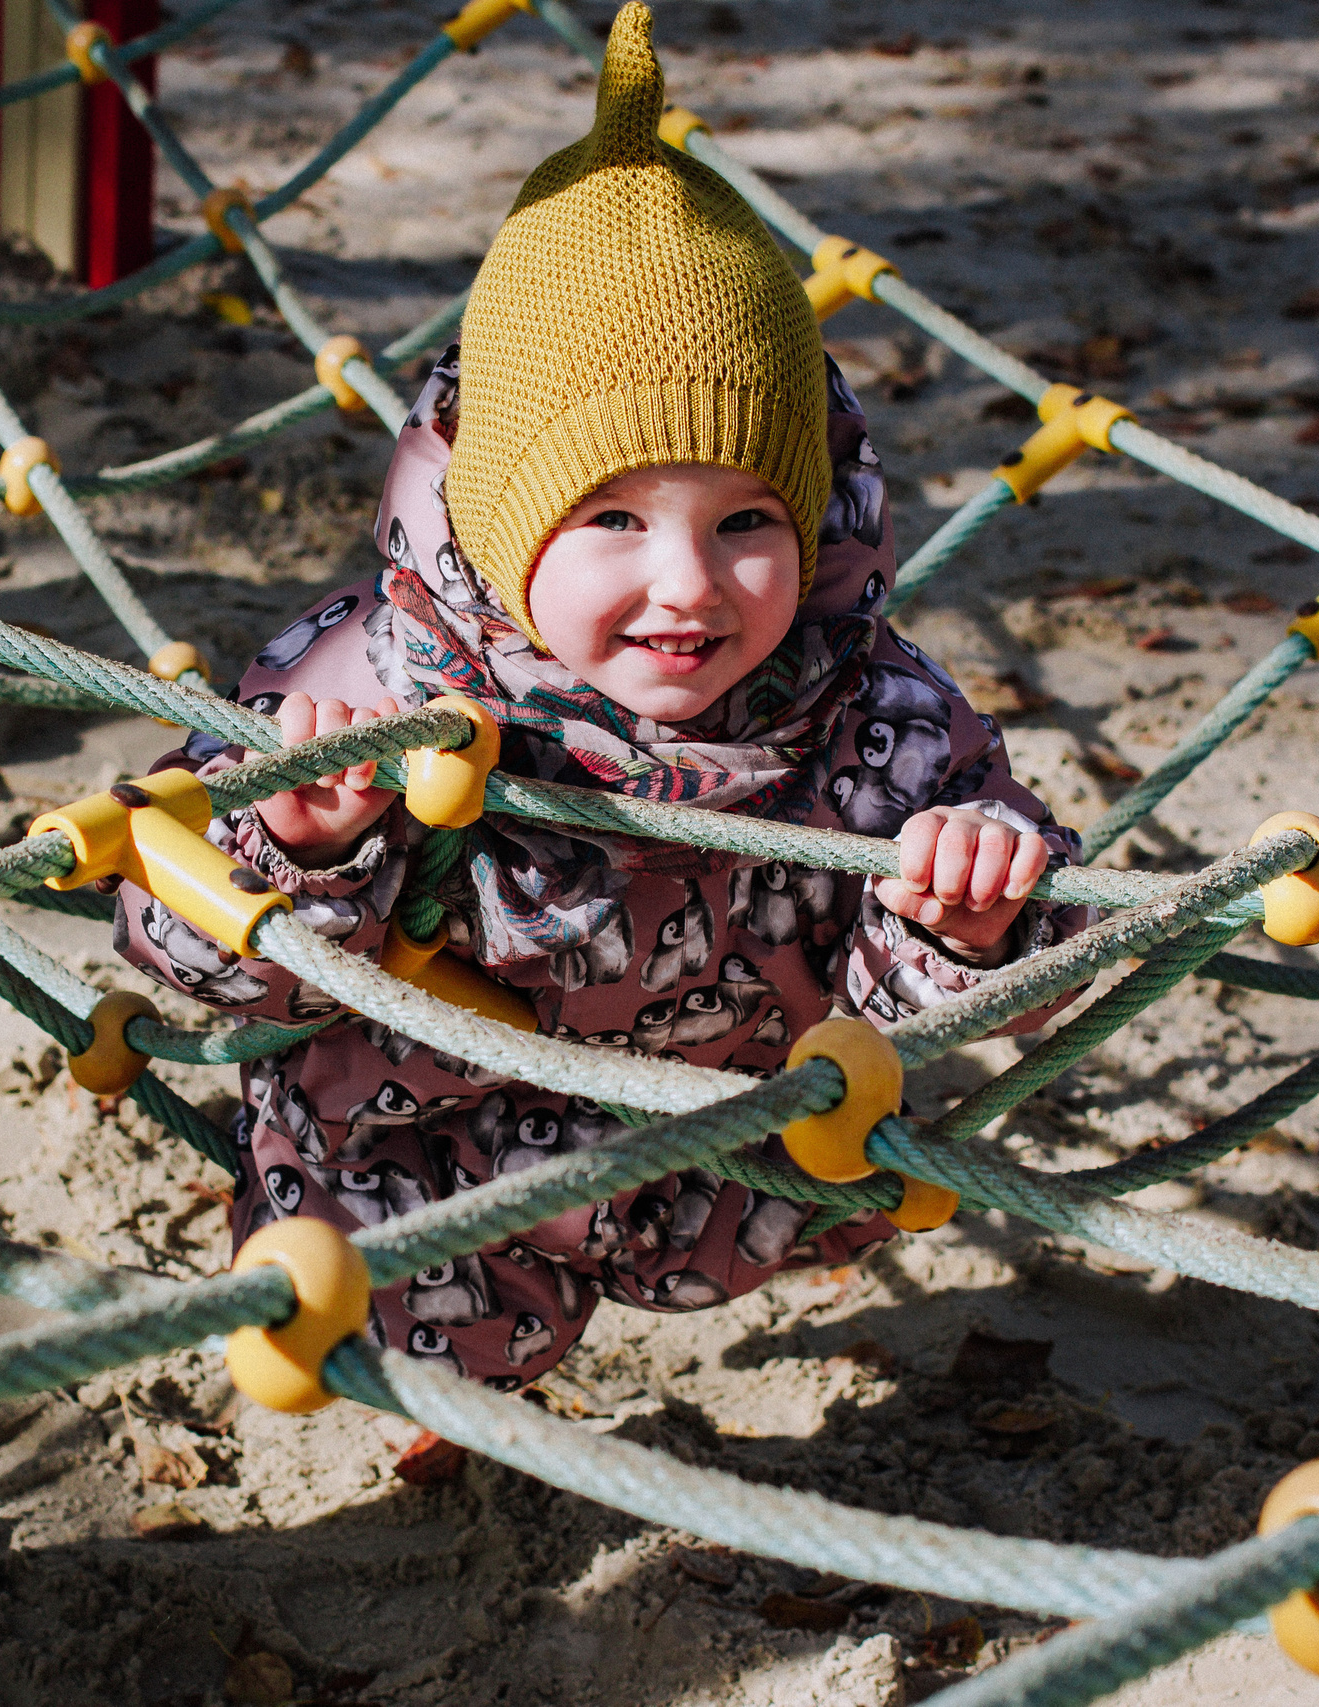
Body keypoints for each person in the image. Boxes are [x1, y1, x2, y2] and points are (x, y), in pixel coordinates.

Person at [112, 2, 1092, 1387]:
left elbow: (996, 978)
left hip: (724, 1167)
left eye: (750, 522)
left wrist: (975, 911)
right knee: (404, 1355)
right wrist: (303, 842)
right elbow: (179, 947)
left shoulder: (872, 711)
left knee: (834, 1147)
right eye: (615, 523)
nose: (690, 587)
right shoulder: (377, 683)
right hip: (421, 1165)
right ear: (507, 532)